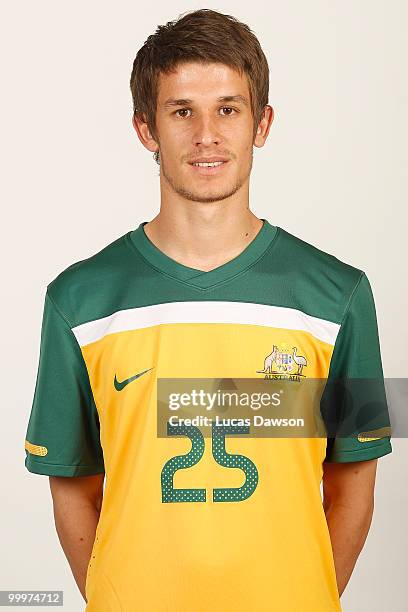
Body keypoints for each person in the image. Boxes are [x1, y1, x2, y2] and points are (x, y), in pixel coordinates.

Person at [24, 8, 392, 611]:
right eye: (181, 112)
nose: (206, 136)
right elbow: (70, 483)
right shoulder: (78, 298)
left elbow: (355, 477)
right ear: (146, 129)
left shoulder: (343, 293)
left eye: (228, 109)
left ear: (262, 123)